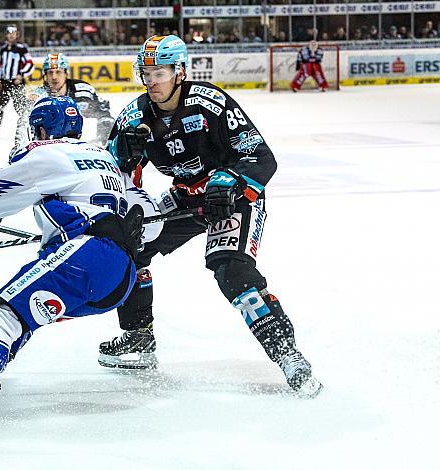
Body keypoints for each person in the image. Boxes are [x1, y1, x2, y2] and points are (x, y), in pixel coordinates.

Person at [0, 96, 162, 437]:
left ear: (43, 128)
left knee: (3, 314)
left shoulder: (47, 153)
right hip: (120, 278)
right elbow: (150, 223)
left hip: (84, 259)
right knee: (23, 317)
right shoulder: (106, 158)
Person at [97, 35, 322, 398]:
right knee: (126, 247)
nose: (151, 80)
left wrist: (231, 181)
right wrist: (121, 158)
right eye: (146, 72)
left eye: (160, 72)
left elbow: (262, 158)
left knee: (231, 271)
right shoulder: (133, 117)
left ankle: (289, 356)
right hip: (185, 198)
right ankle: (138, 337)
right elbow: (113, 176)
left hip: (232, 199)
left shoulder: (210, 104)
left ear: (180, 71)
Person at [27, 53, 115, 145]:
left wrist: (105, 133)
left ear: (66, 73)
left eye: (58, 72)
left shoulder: (83, 91)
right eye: (50, 72)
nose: (54, 77)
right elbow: (26, 124)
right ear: (45, 75)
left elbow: (104, 113)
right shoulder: (39, 96)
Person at [0, 25, 34, 147]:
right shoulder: (3, 49)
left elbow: (30, 64)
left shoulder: (22, 49)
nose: (11, 35)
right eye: (9, 33)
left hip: (16, 83)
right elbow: (0, 65)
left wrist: (21, 75)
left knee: (21, 107)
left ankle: (30, 128)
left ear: (17, 35)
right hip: (5, 83)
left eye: (14, 33)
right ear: (6, 35)